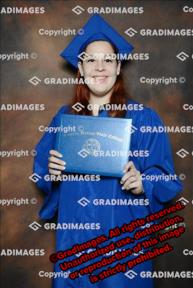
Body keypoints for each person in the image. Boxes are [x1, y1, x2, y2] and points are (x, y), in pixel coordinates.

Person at [33, 14, 182, 288]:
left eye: (108, 60)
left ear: (117, 67)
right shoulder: (63, 120)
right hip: (74, 246)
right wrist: (52, 172)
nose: (99, 67)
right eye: (91, 60)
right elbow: (42, 173)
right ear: (80, 67)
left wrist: (143, 183)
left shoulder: (144, 119)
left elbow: (168, 181)